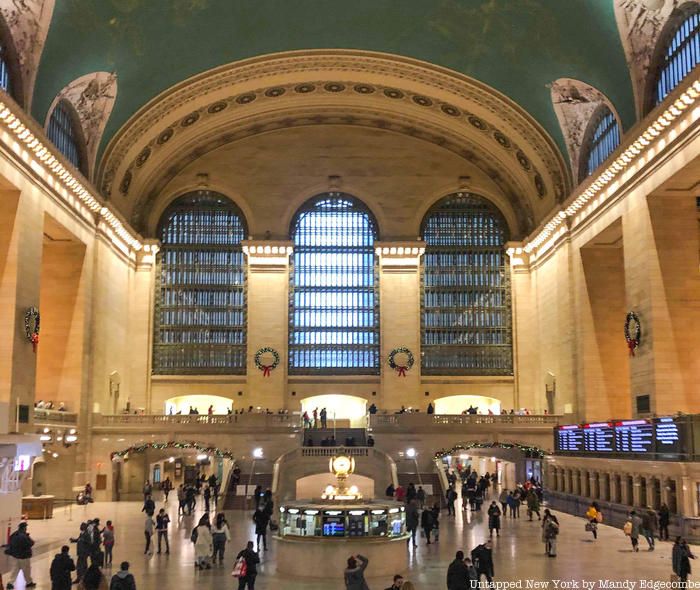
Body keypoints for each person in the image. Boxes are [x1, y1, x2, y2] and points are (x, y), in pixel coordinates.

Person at [5, 521, 35, 589]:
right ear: (24, 528)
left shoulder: (14, 534)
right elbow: (31, 543)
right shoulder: (24, 536)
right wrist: (28, 537)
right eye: (26, 527)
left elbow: (10, 543)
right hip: (24, 557)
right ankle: (29, 582)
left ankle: (10, 583)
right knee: (27, 570)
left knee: (14, 570)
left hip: (15, 556)